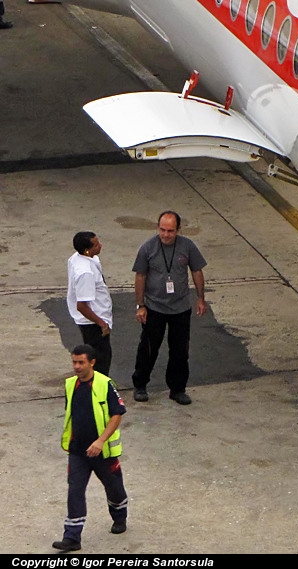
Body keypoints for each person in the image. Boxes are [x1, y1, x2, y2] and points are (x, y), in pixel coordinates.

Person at [52, 344, 128, 552]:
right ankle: (72, 537)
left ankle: (120, 516)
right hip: (77, 451)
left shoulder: (105, 384)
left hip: (102, 452)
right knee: (75, 491)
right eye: (74, 362)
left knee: (114, 488)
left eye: (81, 362)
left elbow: (117, 414)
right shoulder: (70, 385)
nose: (76, 366)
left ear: (92, 363)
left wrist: (101, 440)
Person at [131, 210, 207, 405]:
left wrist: (200, 298)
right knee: (148, 349)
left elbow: (197, 270)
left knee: (180, 351)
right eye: (162, 230)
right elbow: (140, 276)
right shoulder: (148, 248)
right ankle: (140, 385)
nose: (166, 235)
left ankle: (178, 389)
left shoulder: (188, 246)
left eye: (170, 231)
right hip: (154, 307)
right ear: (158, 228)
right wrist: (141, 305)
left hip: (180, 308)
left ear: (178, 230)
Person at [66, 231, 114, 376]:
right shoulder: (85, 273)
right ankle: (98, 389)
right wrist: (102, 323)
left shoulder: (77, 258)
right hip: (93, 323)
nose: (100, 246)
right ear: (87, 250)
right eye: (96, 244)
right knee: (100, 360)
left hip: (95, 319)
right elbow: (81, 306)